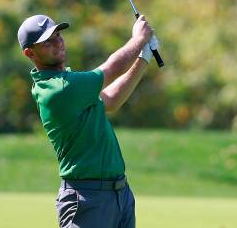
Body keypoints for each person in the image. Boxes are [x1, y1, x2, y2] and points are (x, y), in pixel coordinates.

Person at [17, 13, 158, 228]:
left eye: (58, 35)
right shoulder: (58, 89)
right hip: (86, 198)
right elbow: (111, 69)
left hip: (119, 194)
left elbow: (110, 101)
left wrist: (143, 58)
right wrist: (138, 38)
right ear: (30, 53)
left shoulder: (69, 83)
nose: (58, 42)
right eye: (48, 41)